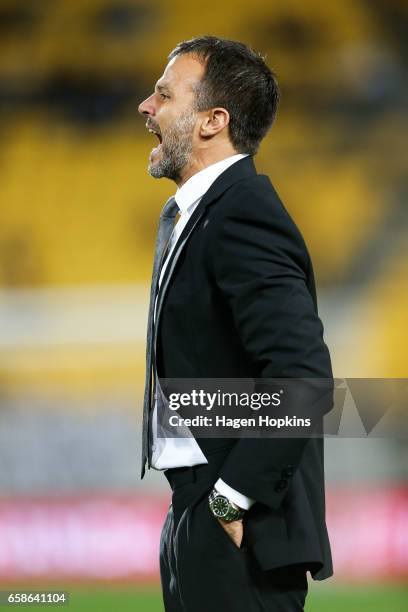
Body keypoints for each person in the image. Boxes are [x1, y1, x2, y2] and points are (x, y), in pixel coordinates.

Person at [138, 35, 333, 612]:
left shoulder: (241, 211)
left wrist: (230, 498)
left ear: (211, 121)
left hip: (235, 523)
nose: (146, 107)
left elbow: (302, 376)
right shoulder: (204, 214)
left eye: (164, 94)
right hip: (195, 510)